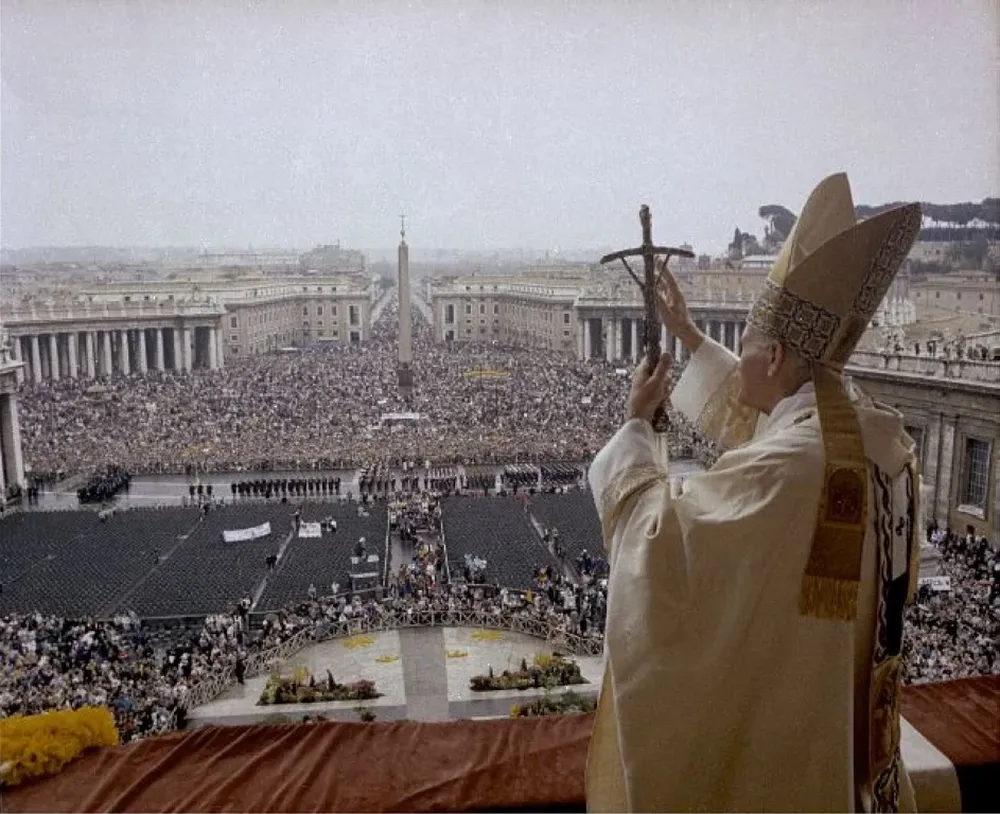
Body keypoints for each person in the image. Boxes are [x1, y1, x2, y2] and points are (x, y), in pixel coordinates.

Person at [586, 174, 924, 812]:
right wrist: (689, 336)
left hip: (793, 745)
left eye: (743, 346)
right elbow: (767, 427)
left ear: (773, 359)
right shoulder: (871, 435)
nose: (736, 360)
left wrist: (634, 430)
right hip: (858, 741)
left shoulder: (792, 466)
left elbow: (657, 546)